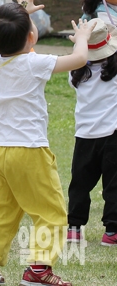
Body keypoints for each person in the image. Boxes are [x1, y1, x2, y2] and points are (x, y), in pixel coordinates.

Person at [0, 0, 94, 286]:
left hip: (0, 154)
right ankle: (39, 269)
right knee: (51, 213)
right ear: (30, 35)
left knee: (2, 213)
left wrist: (21, 13)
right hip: (29, 151)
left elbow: (10, 41)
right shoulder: (35, 63)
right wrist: (81, 38)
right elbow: (79, 60)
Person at [66, 18, 117, 246]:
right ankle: (112, 231)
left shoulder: (75, 72)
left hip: (84, 134)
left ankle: (74, 228)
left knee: (79, 184)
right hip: (113, 134)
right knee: (113, 185)